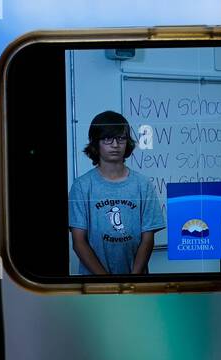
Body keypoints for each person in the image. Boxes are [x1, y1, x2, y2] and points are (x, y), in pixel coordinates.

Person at [68, 111, 166, 275]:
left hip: (137, 285)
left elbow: (147, 239)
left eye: (121, 139)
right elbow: (79, 242)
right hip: (96, 287)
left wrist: (132, 280)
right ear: (95, 143)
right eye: (107, 139)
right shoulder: (82, 186)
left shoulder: (142, 184)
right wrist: (108, 283)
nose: (115, 145)